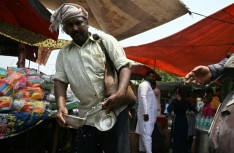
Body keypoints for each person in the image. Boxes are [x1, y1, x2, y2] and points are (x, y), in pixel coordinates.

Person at [49, 3, 132, 153]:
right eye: (69, 25)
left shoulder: (105, 41)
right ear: (65, 29)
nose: (75, 28)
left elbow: (123, 67)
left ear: (86, 22)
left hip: (114, 112)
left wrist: (120, 93)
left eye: (78, 23)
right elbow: (60, 81)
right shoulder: (64, 53)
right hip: (86, 117)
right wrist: (61, 106)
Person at [167, 87, 196, 153]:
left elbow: (169, 109)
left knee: (177, 137)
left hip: (177, 120)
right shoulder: (187, 101)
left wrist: (171, 114)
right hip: (184, 120)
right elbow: (194, 109)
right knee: (184, 137)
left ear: (178, 93)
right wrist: (189, 112)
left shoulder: (174, 101)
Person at [136, 70, 158, 153]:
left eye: (154, 77)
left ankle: (142, 151)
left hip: (148, 116)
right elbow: (143, 98)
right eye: (152, 76)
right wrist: (145, 113)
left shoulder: (148, 86)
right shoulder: (144, 85)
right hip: (146, 116)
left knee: (144, 136)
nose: (153, 78)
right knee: (146, 136)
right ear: (146, 77)